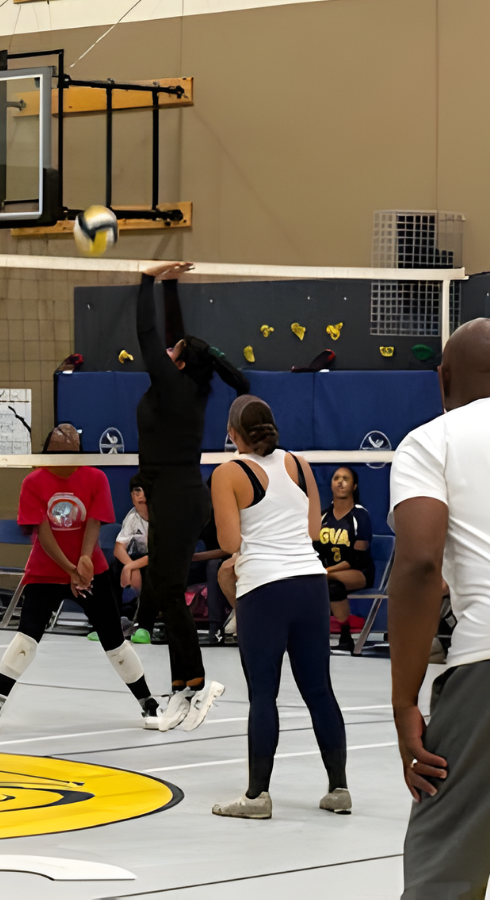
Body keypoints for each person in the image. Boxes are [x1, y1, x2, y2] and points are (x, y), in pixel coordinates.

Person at [210, 395, 349, 819]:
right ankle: (339, 789)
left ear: (233, 433)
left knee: (263, 694)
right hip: (311, 585)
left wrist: (240, 554)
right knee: (319, 689)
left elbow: (231, 544)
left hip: (264, 589)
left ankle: (256, 797)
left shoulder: (228, 472)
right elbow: (311, 530)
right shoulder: (300, 464)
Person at [388, 318, 490, 897]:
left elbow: (421, 562)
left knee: (444, 871)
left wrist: (406, 702)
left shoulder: (433, 440)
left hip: (484, 666)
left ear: (442, 379)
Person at [0, 424, 161, 734]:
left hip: (91, 572)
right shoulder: (33, 482)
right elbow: (43, 532)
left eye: (73, 451)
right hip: (46, 571)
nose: (68, 457)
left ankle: (148, 703)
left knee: (114, 640)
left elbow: (93, 521)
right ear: (48, 454)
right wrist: (71, 570)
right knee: (27, 639)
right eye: (61, 452)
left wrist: (85, 561)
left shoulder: (95, 477)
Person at [136, 262, 249, 731]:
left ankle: (196, 685)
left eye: (173, 349)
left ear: (178, 361)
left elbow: (146, 332)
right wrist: (169, 285)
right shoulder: (189, 383)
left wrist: (145, 280)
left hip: (180, 499)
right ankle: (184, 686)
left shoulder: (173, 384)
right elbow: (177, 337)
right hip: (173, 496)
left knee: (167, 591)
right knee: (164, 593)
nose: (166, 348)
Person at [315, 466, 375, 652]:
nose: (340, 482)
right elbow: (314, 549)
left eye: (346, 478)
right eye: (336, 478)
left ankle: (345, 637)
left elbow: (358, 556)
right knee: (326, 586)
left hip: (359, 571)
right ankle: (339, 637)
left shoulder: (360, 516)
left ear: (354, 486)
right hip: (328, 574)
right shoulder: (323, 516)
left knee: (326, 582)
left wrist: (329, 571)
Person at [113, 474, 152, 643]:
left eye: (144, 491)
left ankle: (144, 627)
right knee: (113, 567)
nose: (140, 496)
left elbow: (159, 553)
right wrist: (130, 566)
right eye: (136, 491)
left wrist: (131, 567)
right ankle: (112, 623)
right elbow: (118, 548)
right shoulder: (132, 517)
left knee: (152, 571)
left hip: (161, 562)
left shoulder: (163, 516)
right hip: (138, 560)